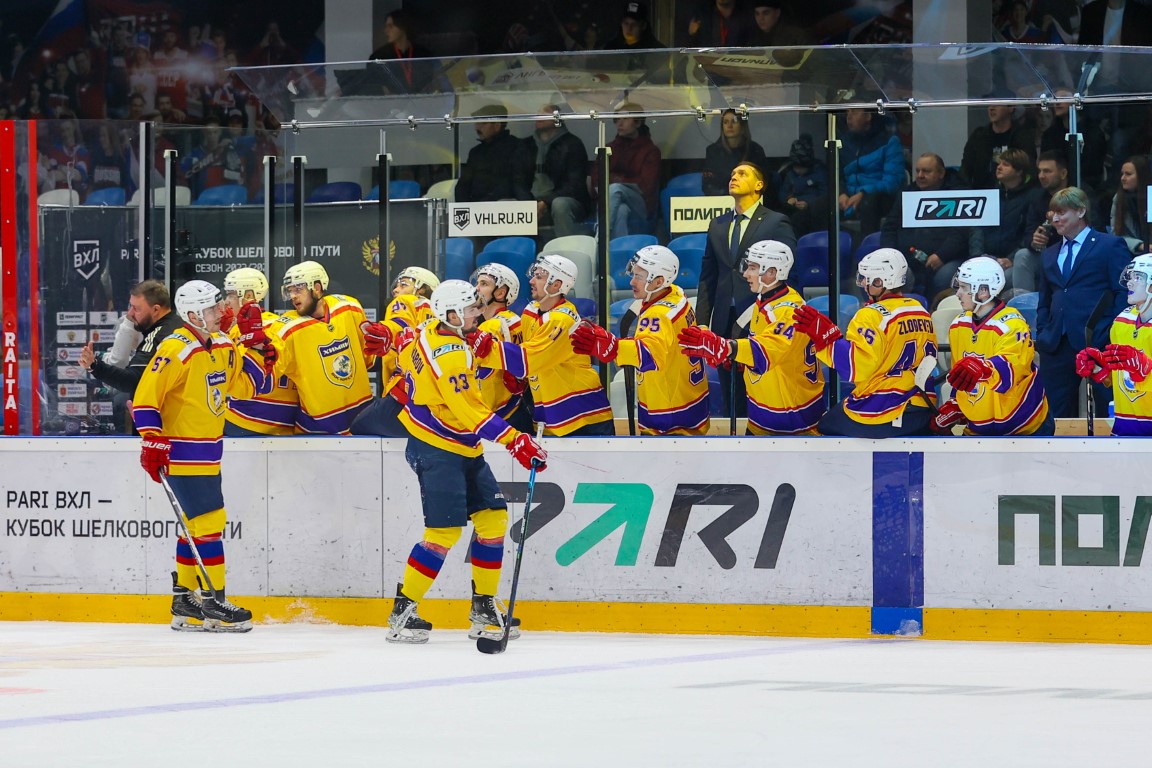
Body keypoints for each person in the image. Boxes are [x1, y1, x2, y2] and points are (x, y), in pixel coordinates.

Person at [387, 280, 548, 644]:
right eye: (472, 309)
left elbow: (405, 347)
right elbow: (470, 411)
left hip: (461, 444)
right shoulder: (450, 355)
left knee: (493, 520)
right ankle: (403, 611)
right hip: (437, 448)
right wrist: (515, 440)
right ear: (452, 315)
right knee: (443, 533)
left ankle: (483, 607)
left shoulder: (430, 329)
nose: (478, 313)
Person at [133, 280, 271, 632]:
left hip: (210, 452)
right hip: (182, 453)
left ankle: (184, 598)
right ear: (193, 315)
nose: (222, 312)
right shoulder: (176, 348)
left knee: (195, 527)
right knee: (209, 524)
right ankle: (214, 601)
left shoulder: (223, 344)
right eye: (213, 308)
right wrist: (152, 440)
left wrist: (258, 351)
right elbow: (146, 398)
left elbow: (246, 387)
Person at [678, 240, 825, 435]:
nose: (746, 274)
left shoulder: (788, 311)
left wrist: (727, 347)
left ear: (772, 272)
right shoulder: (766, 299)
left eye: (753, 268)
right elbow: (766, 346)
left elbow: (767, 351)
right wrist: (742, 359)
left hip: (792, 420)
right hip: (767, 414)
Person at [794, 248, 937, 437]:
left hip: (885, 408)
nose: (863, 284)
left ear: (881, 282)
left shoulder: (870, 315)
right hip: (923, 405)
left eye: (867, 279)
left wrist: (826, 337)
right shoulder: (919, 310)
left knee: (826, 425)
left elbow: (856, 367)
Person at [571, 246, 710, 435]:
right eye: (634, 274)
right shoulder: (676, 293)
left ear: (659, 281)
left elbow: (649, 354)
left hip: (669, 418)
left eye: (639, 277)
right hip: (690, 403)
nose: (632, 281)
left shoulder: (658, 314)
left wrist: (613, 347)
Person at [696, 161, 797, 417]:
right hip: (723, 318)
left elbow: (788, 270)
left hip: (760, 317)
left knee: (761, 386)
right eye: (732, 174)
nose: (734, 177)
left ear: (759, 185)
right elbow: (708, 276)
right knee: (731, 397)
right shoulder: (717, 224)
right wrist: (702, 322)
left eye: (742, 174)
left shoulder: (775, 221)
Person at [473, 255, 614, 436]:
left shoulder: (562, 319)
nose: (531, 281)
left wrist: (485, 347)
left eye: (539, 277)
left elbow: (529, 360)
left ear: (556, 285)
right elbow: (524, 351)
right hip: (549, 414)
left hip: (583, 414)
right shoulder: (531, 311)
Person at [1035, 186, 1132, 419]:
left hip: (1099, 341)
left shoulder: (1109, 245)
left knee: (1108, 412)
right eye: (1053, 213)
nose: (1055, 219)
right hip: (1056, 343)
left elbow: (1123, 291)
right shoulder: (1049, 253)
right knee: (1054, 416)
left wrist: (1109, 330)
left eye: (1061, 212)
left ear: (1080, 211)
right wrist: (1044, 330)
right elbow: (1045, 299)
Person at [935, 257, 1053, 436]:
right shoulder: (959, 325)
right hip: (979, 429)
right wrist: (956, 405)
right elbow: (961, 377)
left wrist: (983, 368)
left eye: (964, 288)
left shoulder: (1013, 324)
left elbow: (1012, 370)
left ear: (983, 291)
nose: (958, 293)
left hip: (1023, 426)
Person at [260, 261, 375, 434]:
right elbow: (268, 368)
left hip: (361, 416)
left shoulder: (349, 308)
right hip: (317, 427)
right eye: (289, 290)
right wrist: (257, 347)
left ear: (317, 287)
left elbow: (367, 357)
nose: (293, 296)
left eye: (298, 289)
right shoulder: (285, 328)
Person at [80, 279, 184, 432]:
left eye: (136, 308)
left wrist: (95, 366)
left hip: (165, 426)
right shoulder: (179, 325)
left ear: (156, 309)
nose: (130, 314)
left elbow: (132, 380)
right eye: (131, 307)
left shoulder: (158, 336)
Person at [350, 266, 440, 438]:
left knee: (357, 426)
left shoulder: (406, 300)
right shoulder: (441, 315)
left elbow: (400, 324)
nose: (396, 290)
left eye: (403, 284)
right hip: (433, 401)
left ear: (421, 289)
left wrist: (387, 331)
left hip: (403, 398)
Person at [1076, 253, 1152, 435]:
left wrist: (1145, 369)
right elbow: (1122, 378)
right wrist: (1101, 368)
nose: (1130, 283)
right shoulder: (1122, 321)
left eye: (1137, 277)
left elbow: (1141, 371)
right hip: (1124, 427)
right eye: (1130, 277)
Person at [880, 153, 975, 296]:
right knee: (884, 273)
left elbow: (961, 231)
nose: (920, 175)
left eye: (926, 171)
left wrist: (941, 255)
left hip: (947, 258)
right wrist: (891, 256)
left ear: (941, 173)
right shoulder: (907, 194)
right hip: (908, 257)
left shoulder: (958, 193)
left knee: (943, 277)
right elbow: (890, 228)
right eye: (917, 171)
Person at [220, 268, 299, 436]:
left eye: (231, 295)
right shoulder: (282, 324)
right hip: (286, 420)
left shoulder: (245, 331)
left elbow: (243, 381)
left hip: (247, 419)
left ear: (248, 295)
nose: (227, 302)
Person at [472, 262, 534, 435]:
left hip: (497, 415)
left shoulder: (490, 327)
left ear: (500, 293)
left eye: (484, 284)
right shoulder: (516, 319)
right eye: (477, 283)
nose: (476, 288)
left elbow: (479, 371)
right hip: (517, 408)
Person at [975, 148, 1045, 286]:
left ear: (1019, 171)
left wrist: (1011, 259)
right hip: (986, 257)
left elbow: (1029, 233)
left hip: (1013, 260)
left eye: (1005, 164)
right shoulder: (990, 195)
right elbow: (977, 229)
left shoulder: (1033, 197)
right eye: (999, 163)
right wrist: (977, 257)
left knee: (1004, 279)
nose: (999, 167)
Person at [593, 102, 661, 237]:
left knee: (615, 189)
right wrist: (623, 181)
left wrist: (616, 180)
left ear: (638, 123)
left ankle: (600, 238)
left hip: (640, 205)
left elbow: (646, 185)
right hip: (612, 201)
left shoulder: (650, 151)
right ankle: (618, 248)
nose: (620, 123)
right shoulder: (608, 148)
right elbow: (596, 179)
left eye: (625, 118)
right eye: (617, 119)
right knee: (621, 211)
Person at [839, 108, 904, 235]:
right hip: (849, 196)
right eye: (847, 112)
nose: (849, 117)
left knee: (869, 203)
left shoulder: (889, 140)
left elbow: (893, 181)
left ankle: (868, 246)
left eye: (854, 112)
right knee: (821, 205)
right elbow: (838, 175)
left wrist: (863, 193)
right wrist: (841, 193)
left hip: (880, 197)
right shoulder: (843, 143)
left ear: (868, 116)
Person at [529, 104, 591, 238]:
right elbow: (518, 179)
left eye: (545, 113)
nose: (539, 116)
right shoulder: (527, 145)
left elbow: (574, 184)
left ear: (558, 118)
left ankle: (566, 249)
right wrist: (527, 201)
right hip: (533, 198)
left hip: (567, 200)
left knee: (560, 205)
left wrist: (546, 201)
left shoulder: (572, 144)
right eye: (538, 113)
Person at [1014, 150, 1072, 292]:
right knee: (1019, 259)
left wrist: (1060, 225)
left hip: (1073, 253)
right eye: (1040, 171)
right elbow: (1028, 233)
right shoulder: (1037, 197)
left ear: (1063, 173)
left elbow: (1092, 231)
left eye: (1047, 171)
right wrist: (1034, 241)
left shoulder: (1078, 195)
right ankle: (1023, 304)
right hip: (1046, 255)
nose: (1041, 176)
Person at [454, 104, 534, 204]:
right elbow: (463, 186)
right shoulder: (476, 152)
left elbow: (518, 183)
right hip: (476, 208)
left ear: (497, 125)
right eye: (476, 123)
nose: (476, 127)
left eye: (482, 123)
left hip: (505, 206)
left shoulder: (516, 148)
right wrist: (464, 208)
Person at [960, 105, 1034, 191]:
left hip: (1013, 193)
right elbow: (965, 169)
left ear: (1010, 108)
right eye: (989, 104)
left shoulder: (1022, 136)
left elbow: (1029, 169)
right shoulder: (979, 136)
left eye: (997, 104)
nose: (991, 108)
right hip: (981, 193)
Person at [702, 109, 768, 197]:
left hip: (748, 198)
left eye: (734, 121)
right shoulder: (712, 151)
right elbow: (708, 185)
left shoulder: (755, 150)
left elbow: (763, 181)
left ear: (742, 125)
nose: (729, 126)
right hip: (721, 200)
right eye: (725, 122)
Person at [368, 9, 433, 93]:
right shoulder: (379, 56)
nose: (386, 30)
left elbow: (430, 83)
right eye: (386, 26)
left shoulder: (423, 54)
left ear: (402, 27)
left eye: (390, 26)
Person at [775, 134, 828, 238]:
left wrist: (808, 203)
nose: (798, 170)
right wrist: (788, 200)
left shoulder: (819, 173)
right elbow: (783, 192)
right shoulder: (790, 174)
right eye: (796, 167)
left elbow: (824, 194)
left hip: (813, 210)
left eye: (802, 167)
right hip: (793, 208)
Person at [1110, 155, 1150, 255]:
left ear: (1141, 176)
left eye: (1128, 174)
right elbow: (1116, 234)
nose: (1123, 178)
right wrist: (1140, 245)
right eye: (1122, 174)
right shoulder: (1118, 198)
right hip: (1130, 253)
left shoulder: (1150, 196)